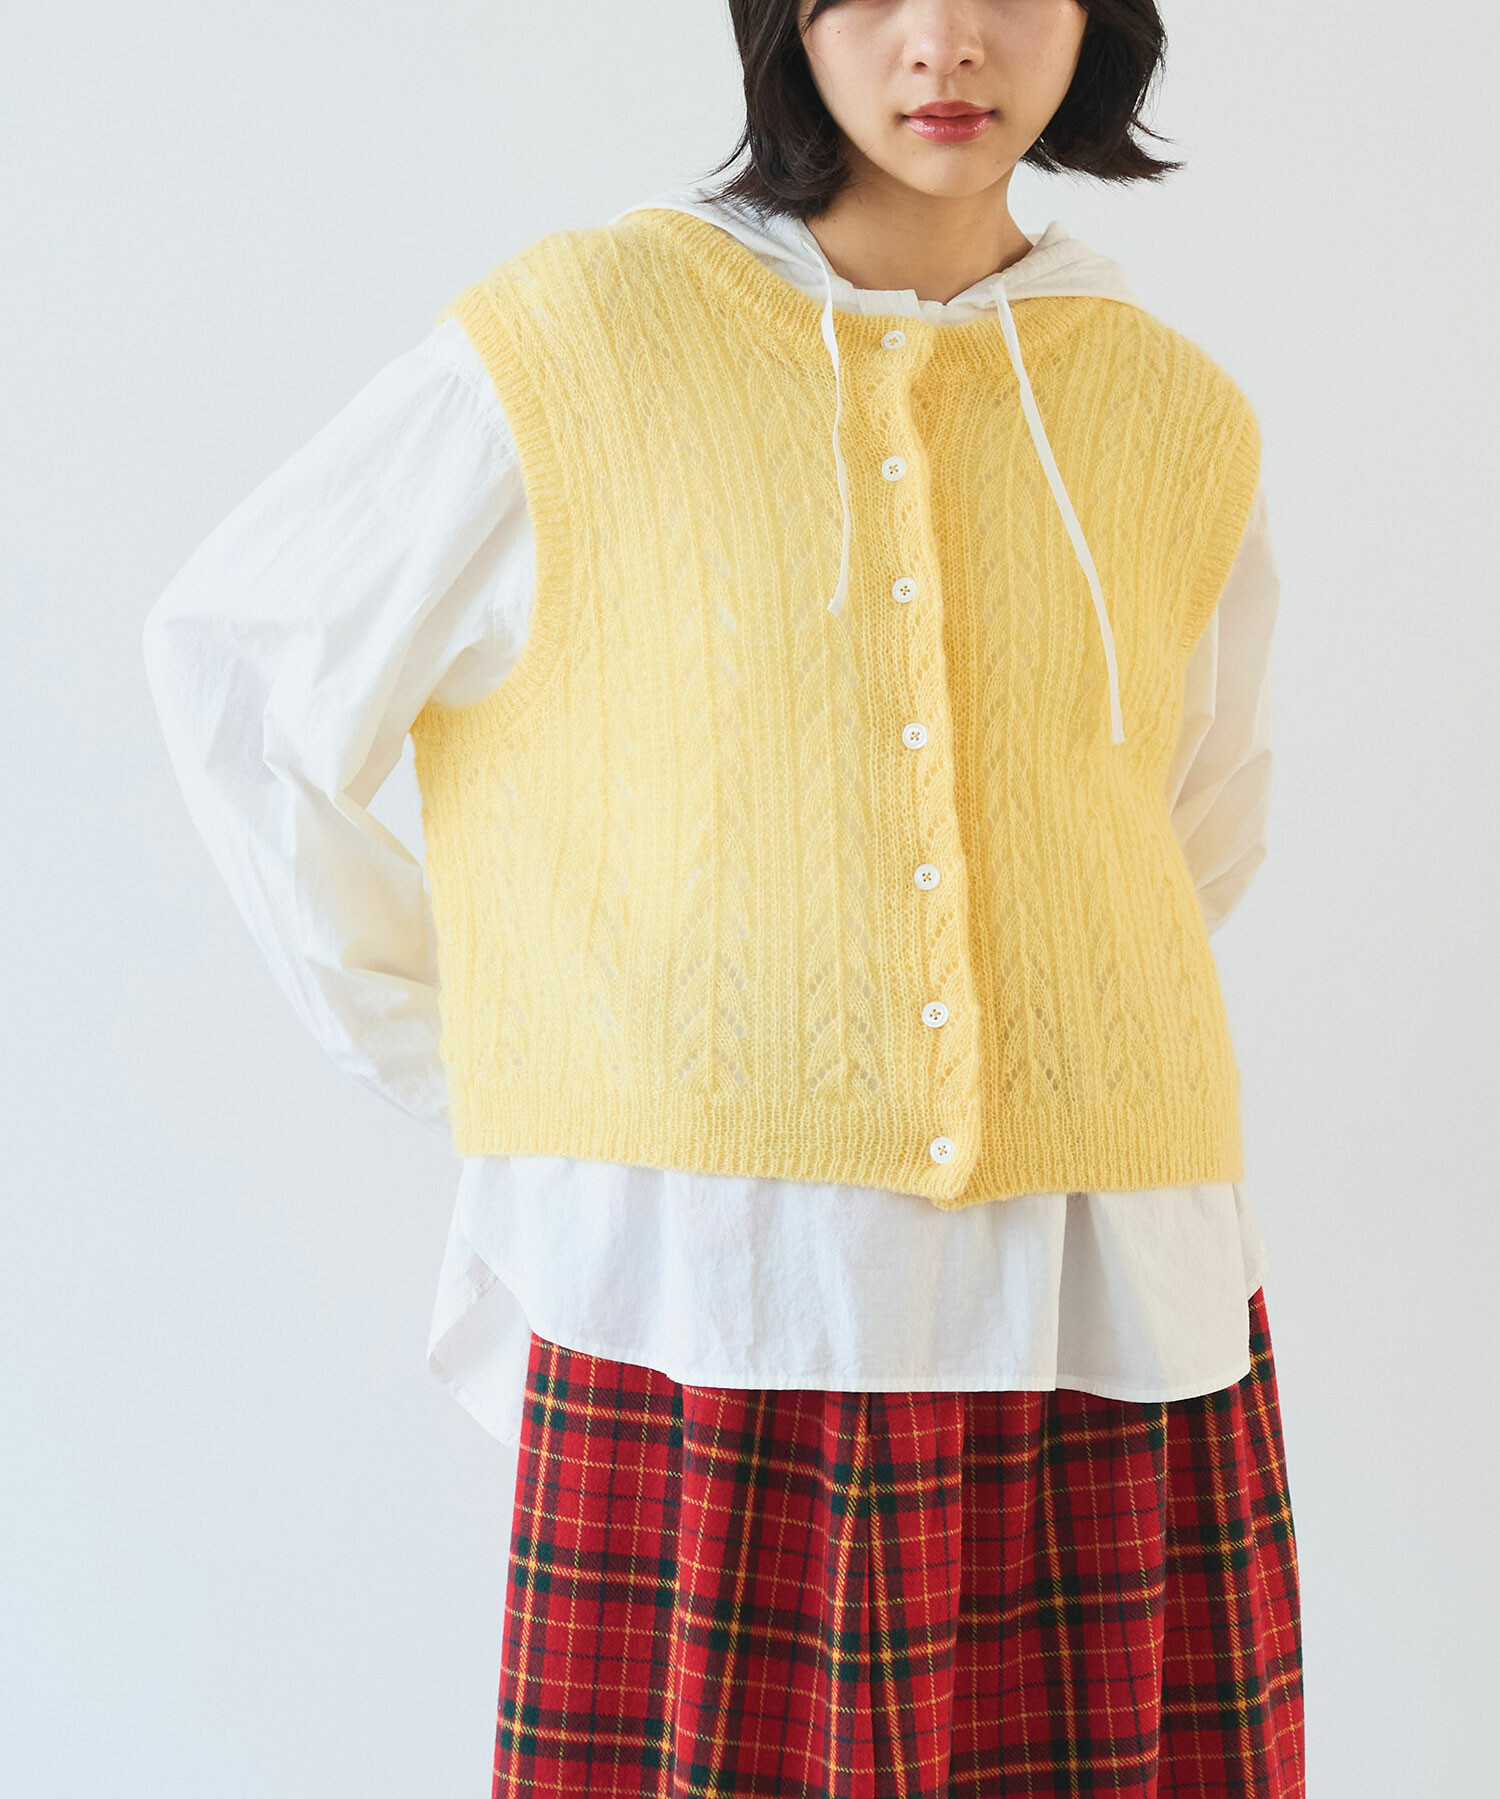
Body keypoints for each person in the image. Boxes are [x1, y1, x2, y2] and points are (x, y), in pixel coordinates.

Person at [142, 0, 1304, 1792]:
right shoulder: (580, 342)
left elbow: (1185, 823)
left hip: (1113, 1291)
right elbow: (244, 679)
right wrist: (489, 1062)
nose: (948, 41)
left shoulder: (1177, 411)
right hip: (728, 1291)